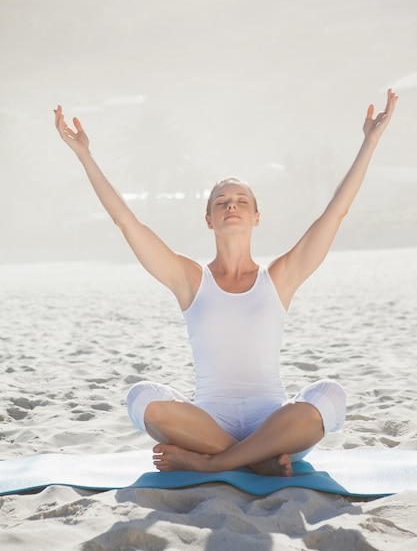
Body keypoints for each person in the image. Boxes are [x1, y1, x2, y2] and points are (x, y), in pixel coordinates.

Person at [55, 88, 398, 477]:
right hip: (207, 427)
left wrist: (370, 142)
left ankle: (217, 463)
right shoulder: (190, 280)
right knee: (141, 398)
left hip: (274, 426)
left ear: (256, 217)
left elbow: (334, 214)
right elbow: (127, 222)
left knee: (332, 395)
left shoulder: (279, 278)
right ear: (209, 220)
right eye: (221, 202)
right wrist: (85, 154)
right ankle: (255, 459)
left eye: (241, 201)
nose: (231, 205)